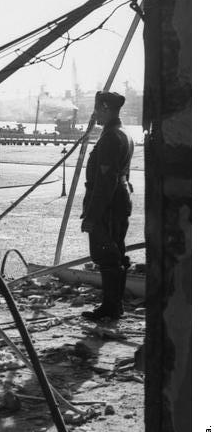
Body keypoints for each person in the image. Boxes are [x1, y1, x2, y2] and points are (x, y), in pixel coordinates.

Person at [80, 92, 134, 321]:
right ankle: (115, 305)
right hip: (120, 201)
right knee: (117, 254)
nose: (94, 114)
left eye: (96, 109)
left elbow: (105, 182)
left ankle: (111, 308)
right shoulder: (124, 133)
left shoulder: (111, 137)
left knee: (106, 257)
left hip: (108, 205)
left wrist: (92, 216)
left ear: (105, 108)